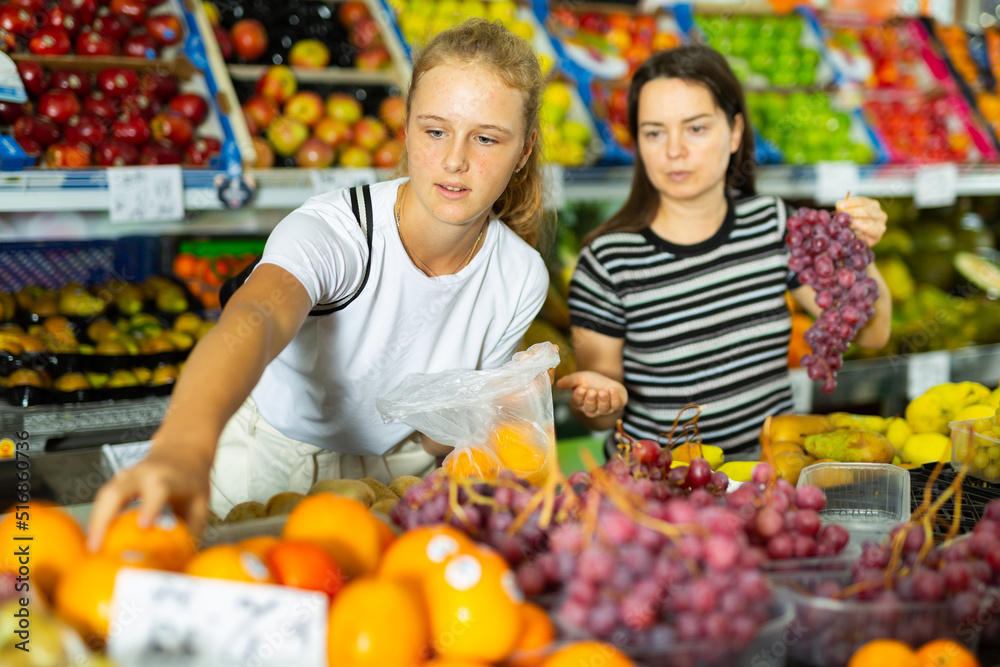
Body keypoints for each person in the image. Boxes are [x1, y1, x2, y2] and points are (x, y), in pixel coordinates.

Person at [87, 18, 552, 547]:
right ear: (405, 128)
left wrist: (482, 421)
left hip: (393, 478)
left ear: (523, 150)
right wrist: (183, 447)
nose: (454, 160)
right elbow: (254, 320)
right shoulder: (338, 232)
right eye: (435, 130)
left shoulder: (519, 276)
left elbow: (445, 424)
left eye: (486, 138)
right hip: (267, 466)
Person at [556, 44, 891, 457]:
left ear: (734, 132)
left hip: (767, 480)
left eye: (696, 128)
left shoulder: (773, 224)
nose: (674, 150)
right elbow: (600, 413)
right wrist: (598, 400)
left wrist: (858, 252)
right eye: (654, 132)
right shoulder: (608, 261)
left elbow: (872, 333)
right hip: (660, 492)